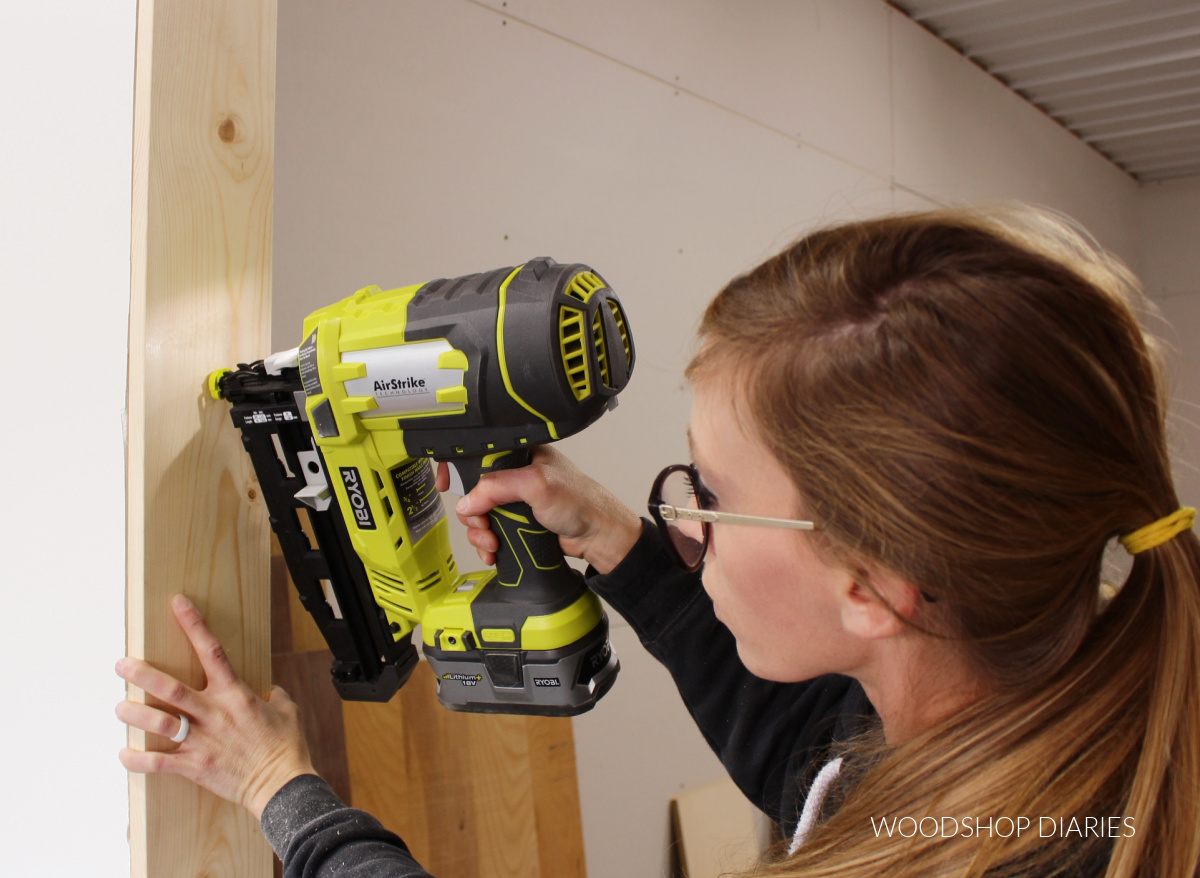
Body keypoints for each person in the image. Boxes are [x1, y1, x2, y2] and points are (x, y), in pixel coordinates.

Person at [117, 206, 1200, 877]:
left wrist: (281, 789)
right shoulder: (1016, 719)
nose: (686, 518)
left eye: (713, 493)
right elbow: (809, 759)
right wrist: (620, 545)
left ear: (875, 586)